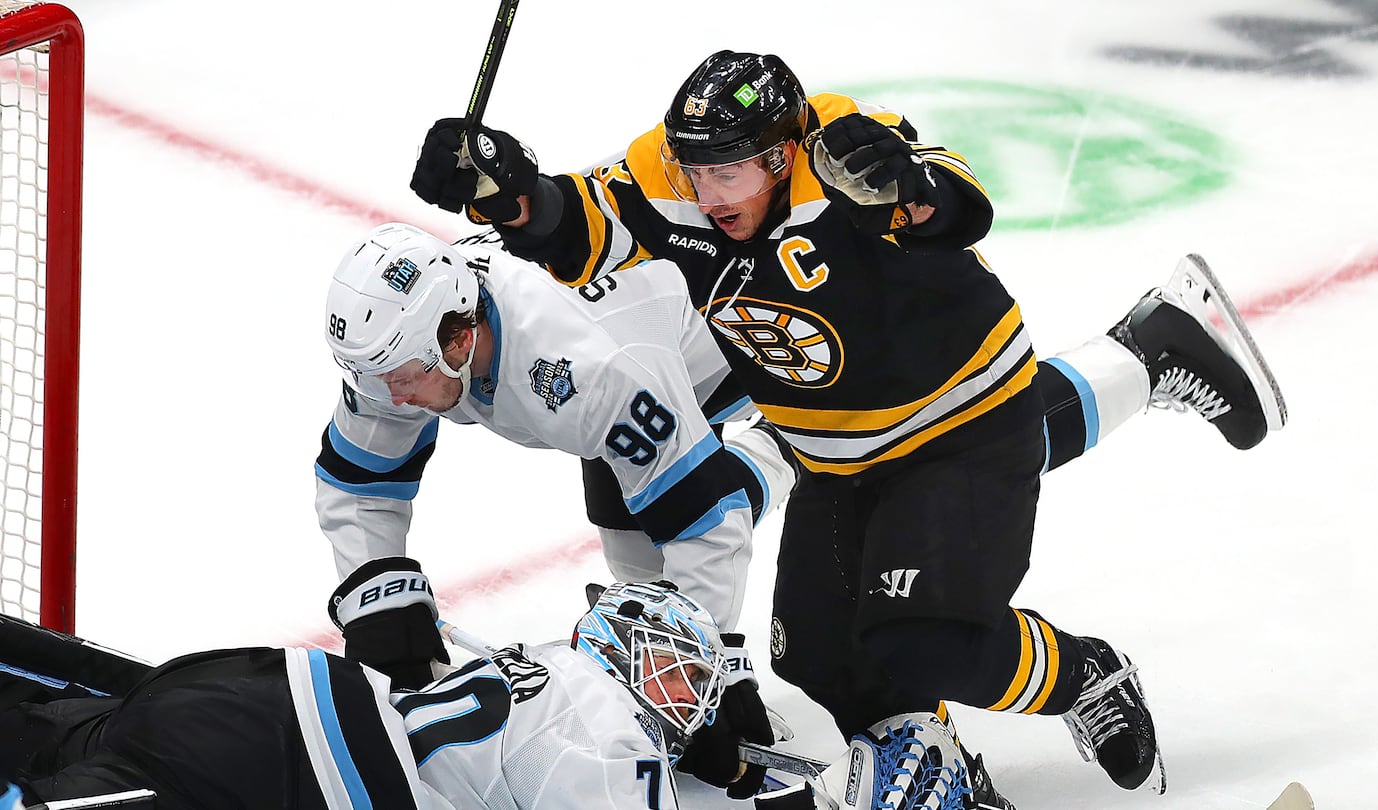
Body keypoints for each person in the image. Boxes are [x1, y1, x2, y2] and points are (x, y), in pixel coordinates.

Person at [408, 49, 1289, 799]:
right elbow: (575, 223)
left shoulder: (843, 154)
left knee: (924, 639)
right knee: (815, 657)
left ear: (783, 151)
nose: (709, 194)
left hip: (962, 430)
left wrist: (910, 190)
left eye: (730, 173)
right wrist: (504, 188)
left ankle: (1086, 675)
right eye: (696, 171)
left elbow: (958, 202)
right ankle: (933, 757)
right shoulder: (670, 180)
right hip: (837, 461)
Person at [316, 222, 792, 796]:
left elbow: (707, 522)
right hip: (629, 354)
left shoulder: (595, 369)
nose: (391, 398)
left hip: (722, 334)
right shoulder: (408, 344)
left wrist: (702, 674)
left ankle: (789, 445)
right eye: (374, 380)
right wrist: (380, 597)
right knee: (635, 552)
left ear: (460, 341)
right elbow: (360, 478)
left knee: (660, 538)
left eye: (401, 379)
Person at [0, 577, 737, 810]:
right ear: (628, 652)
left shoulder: (545, 662)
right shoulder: (618, 737)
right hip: (284, 770)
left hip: (257, 687)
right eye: (688, 673)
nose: (695, 699)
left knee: (34, 733)